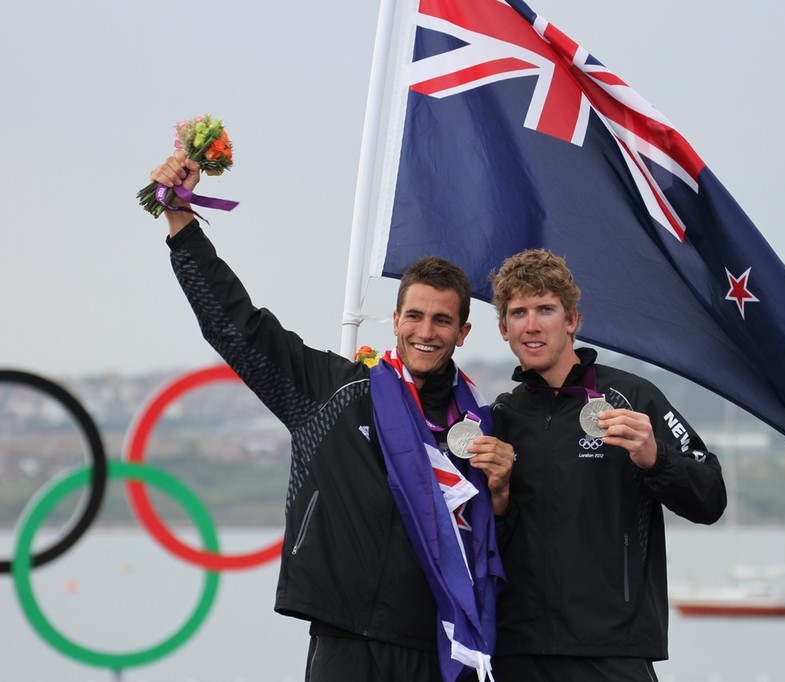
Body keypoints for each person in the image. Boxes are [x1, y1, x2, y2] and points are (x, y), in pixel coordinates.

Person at [148, 151, 514, 682]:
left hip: (436, 643)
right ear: (394, 320)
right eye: (414, 315)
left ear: (463, 333)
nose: (425, 331)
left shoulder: (483, 426)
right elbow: (238, 328)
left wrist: (501, 496)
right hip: (344, 637)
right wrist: (179, 218)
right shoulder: (335, 391)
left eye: (442, 320)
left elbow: (499, 547)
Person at [487, 248, 727, 681]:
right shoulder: (499, 417)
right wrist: (498, 499)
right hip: (517, 653)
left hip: (612, 651)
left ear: (572, 320)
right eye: (518, 312)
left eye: (546, 309)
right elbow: (486, 541)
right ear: (504, 328)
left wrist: (655, 459)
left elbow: (710, 497)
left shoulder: (632, 398)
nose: (532, 325)